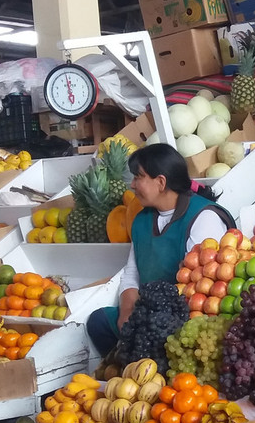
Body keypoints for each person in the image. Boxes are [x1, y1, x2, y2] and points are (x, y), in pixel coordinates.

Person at [86, 143, 234, 355]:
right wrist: (126, 314)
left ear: (161, 182)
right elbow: (131, 275)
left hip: (186, 314)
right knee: (99, 322)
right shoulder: (141, 220)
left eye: (138, 177)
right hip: (148, 310)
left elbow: (202, 285)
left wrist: (157, 320)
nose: (132, 185)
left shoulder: (203, 218)